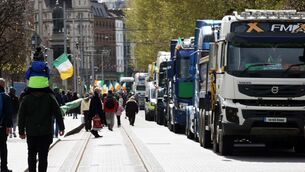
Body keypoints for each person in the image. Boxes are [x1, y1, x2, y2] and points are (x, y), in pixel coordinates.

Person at [18, 87, 65, 172]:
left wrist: (21, 131)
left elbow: (21, 116)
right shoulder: (49, 97)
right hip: (45, 132)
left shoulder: (26, 98)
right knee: (43, 157)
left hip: (31, 133)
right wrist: (61, 127)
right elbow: (57, 112)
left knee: (31, 155)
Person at [0, 78, 13, 172]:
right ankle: (4, 168)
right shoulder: (6, 97)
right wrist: (8, 127)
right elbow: (8, 113)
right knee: (3, 147)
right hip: (2, 126)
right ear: (3, 85)